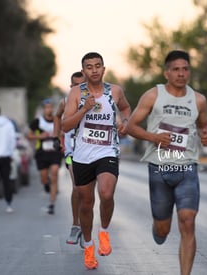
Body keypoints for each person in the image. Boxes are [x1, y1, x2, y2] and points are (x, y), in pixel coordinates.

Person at [126, 50, 207, 275]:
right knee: (163, 230)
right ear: (166, 73)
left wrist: (205, 135)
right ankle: (159, 228)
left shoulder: (199, 99)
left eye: (185, 69)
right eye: (176, 69)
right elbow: (130, 127)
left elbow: (203, 124)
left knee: (187, 220)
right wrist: (154, 138)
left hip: (187, 167)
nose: (181, 74)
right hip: (159, 168)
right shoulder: (153, 95)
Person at [62, 52, 131, 269]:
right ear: (83, 71)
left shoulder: (115, 91)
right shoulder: (75, 93)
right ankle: (89, 246)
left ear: (103, 69)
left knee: (106, 193)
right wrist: (84, 108)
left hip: (107, 151)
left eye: (97, 66)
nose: (94, 70)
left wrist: (125, 122)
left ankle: (104, 232)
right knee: (86, 204)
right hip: (82, 155)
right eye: (89, 67)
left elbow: (126, 108)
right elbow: (65, 126)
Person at [53, 71, 86, 245]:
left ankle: (85, 228)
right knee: (77, 187)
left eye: (83, 85)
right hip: (71, 153)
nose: (79, 88)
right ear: (71, 86)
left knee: (87, 193)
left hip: (90, 151)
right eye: (76, 85)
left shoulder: (93, 102)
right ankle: (75, 225)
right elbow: (57, 116)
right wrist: (56, 137)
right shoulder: (65, 102)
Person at [27, 99, 63, 215]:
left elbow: (65, 132)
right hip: (42, 153)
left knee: (54, 173)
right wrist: (40, 136)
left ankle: (52, 204)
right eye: (47, 107)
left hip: (55, 152)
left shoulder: (57, 120)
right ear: (43, 109)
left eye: (51, 107)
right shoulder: (37, 122)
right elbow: (29, 135)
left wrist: (58, 134)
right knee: (44, 179)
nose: (50, 109)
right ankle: (46, 184)